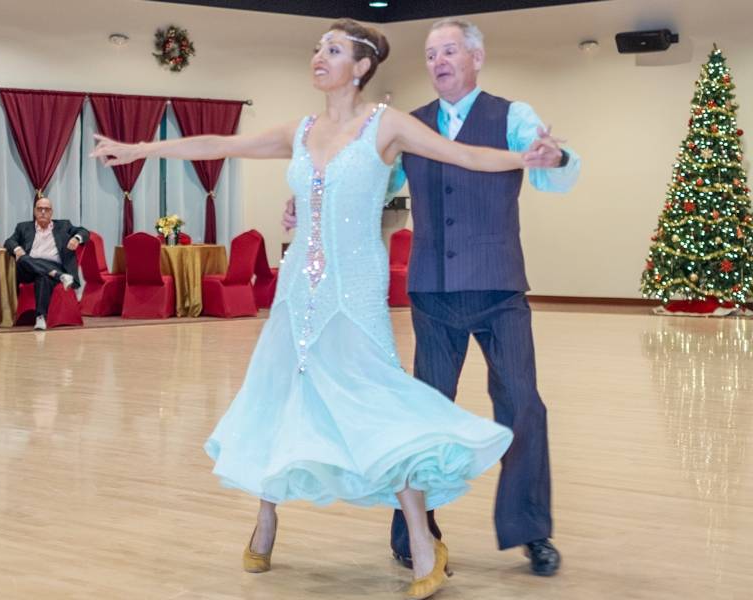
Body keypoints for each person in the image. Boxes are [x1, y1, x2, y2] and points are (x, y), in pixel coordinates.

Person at [92, 18, 557, 599]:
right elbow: (220, 145)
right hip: (298, 288)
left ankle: (421, 542)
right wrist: (140, 149)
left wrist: (530, 160)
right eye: (317, 48)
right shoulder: (302, 129)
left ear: (360, 67)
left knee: (381, 401)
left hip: (355, 287)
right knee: (280, 393)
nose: (319, 56)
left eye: (332, 50)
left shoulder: (387, 124)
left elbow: (464, 156)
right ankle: (265, 522)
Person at [4, 196, 89, 330]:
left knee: (43, 276)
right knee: (23, 258)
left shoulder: (64, 225)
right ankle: (58, 275)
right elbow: (9, 241)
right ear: (34, 211)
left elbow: (84, 232)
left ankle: (40, 317)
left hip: (53, 265)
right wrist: (17, 248)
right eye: (39, 209)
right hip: (27, 269)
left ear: (51, 212)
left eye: (46, 209)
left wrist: (76, 238)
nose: (43, 212)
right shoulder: (23, 227)